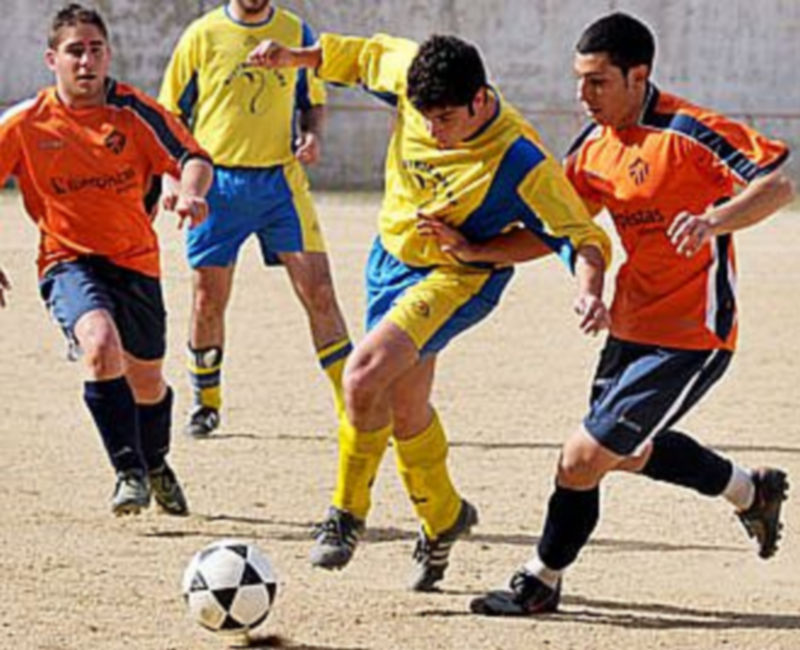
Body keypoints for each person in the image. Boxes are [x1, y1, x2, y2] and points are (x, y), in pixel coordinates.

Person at [246, 32, 613, 591]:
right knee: (405, 407)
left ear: (480, 100)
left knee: (362, 374)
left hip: (455, 277)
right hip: (390, 257)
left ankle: (345, 513)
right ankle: (444, 517)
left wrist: (585, 288)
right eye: (425, 118)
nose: (434, 131)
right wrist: (295, 58)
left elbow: (578, 236)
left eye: (445, 119)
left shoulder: (519, 158)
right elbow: (360, 57)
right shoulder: (410, 71)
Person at [471, 12, 794, 616]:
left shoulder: (689, 131)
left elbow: (778, 185)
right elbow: (561, 229)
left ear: (637, 76)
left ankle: (541, 579)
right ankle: (751, 492)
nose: (583, 95)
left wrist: (713, 221)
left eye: (597, 81)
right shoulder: (592, 150)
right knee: (625, 451)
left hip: (694, 335)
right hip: (629, 326)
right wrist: (482, 253)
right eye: (579, 80)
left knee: (582, 458)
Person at [0, 4, 213, 516]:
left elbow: (193, 157)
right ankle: (129, 471)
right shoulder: (26, 122)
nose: (86, 61)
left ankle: (155, 463)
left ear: (108, 55)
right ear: (52, 59)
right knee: (99, 345)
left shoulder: (133, 112)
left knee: (147, 383)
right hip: (67, 261)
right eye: (75, 51)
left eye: (95, 50)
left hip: (136, 262)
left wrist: (191, 192)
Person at [158, 0, 351, 437]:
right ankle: (206, 403)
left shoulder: (295, 31)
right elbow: (170, 115)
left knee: (320, 291)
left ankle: (354, 404)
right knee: (208, 299)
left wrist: (311, 135)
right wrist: (173, 176)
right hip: (216, 184)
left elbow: (312, 101)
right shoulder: (201, 35)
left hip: (280, 183)